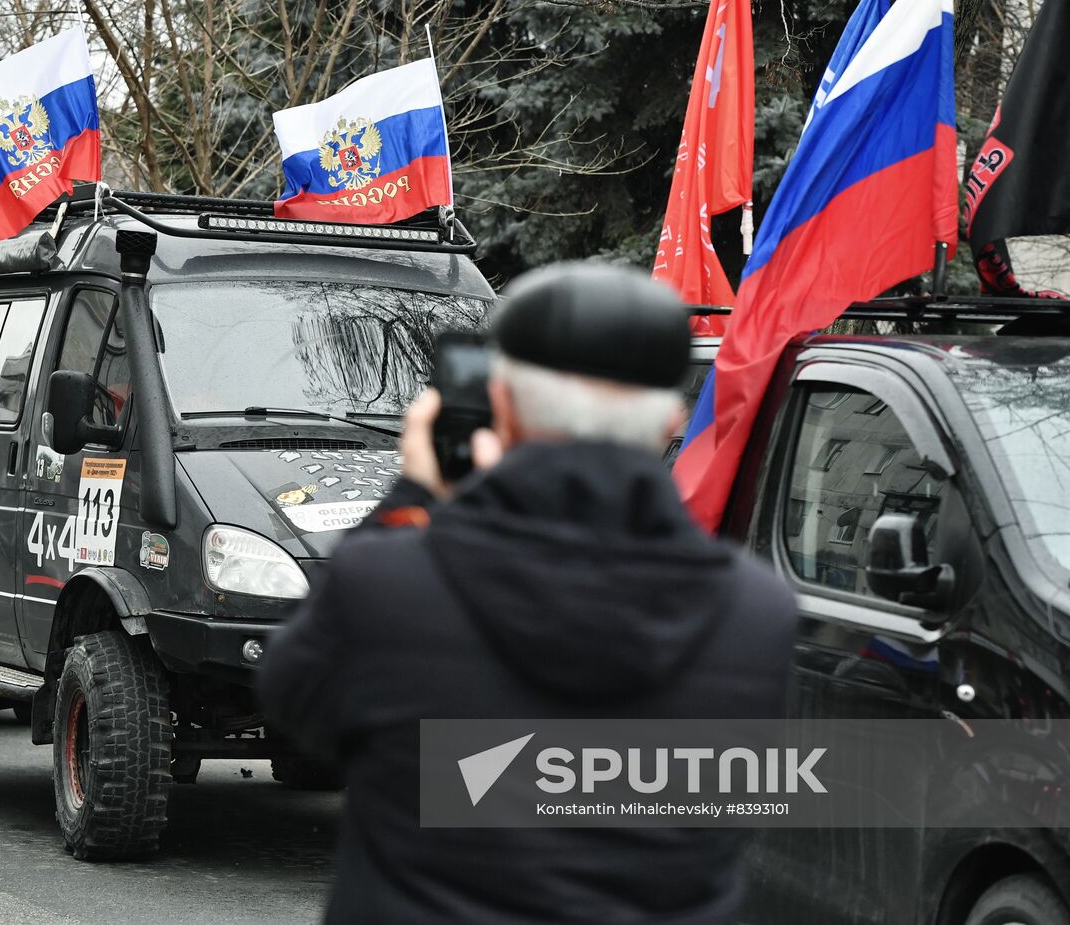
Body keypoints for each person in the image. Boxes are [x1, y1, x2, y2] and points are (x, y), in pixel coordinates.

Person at [257, 262, 798, 924]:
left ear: (503, 406)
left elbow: (296, 705)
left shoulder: (388, 582)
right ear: (670, 424)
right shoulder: (755, 615)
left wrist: (416, 496)